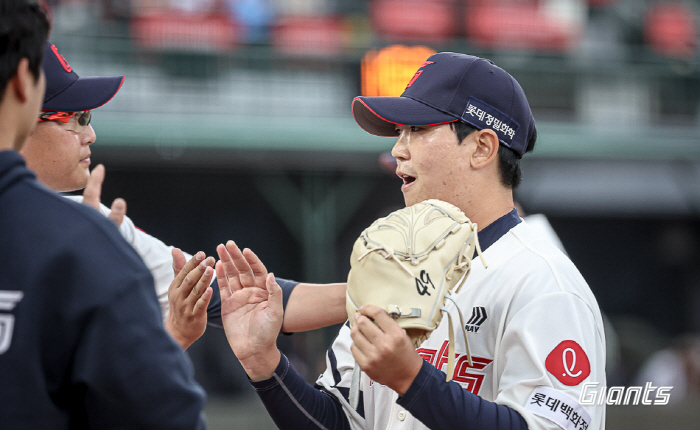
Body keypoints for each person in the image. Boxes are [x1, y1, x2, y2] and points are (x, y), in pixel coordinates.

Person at [217, 52, 607, 429]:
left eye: (418, 130)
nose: (397, 149)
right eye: (401, 132)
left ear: (482, 148)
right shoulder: (388, 272)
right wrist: (263, 363)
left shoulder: (544, 284)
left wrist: (413, 380)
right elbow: (341, 421)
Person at [19, 41, 347, 349]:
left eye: (88, 117)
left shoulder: (97, 224)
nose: (90, 134)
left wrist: (381, 292)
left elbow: (249, 300)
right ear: (16, 120)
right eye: (75, 117)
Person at [0, 1, 206, 427]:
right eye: (75, 117)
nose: (90, 133)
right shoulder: (85, 247)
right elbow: (163, 416)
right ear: (23, 82)